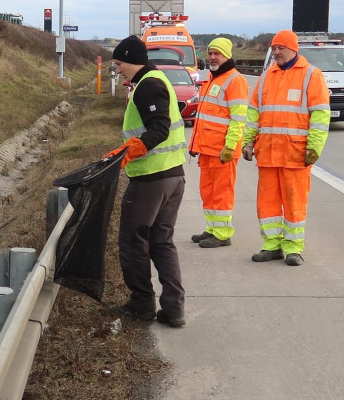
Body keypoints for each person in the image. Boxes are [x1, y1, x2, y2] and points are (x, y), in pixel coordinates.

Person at [104, 35, 187, 328]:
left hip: (151, 179)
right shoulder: (156, 80)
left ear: (130, 60)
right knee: (162, 242)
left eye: (118, 64)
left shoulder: (148, 85)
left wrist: (130, 150)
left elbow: (160, 128)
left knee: (132, 240)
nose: (118, 70)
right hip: (173, 176)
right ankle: (173, 309)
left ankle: (141, 303)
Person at [242, 30, 331, 266]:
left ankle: (293, 248)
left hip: (296, 154)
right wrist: (248, 142)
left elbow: (321, 116)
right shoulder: (266, 77)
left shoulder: (311, 75)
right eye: (274, 48)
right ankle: (272, 246)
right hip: (268, 153)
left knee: (294, 203)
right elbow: (253, 115)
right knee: (268, 203)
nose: (277, 52)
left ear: (294, 49)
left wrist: (313, 148)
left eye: (281, 47)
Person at [187, 38, 248, 248]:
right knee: (208, 191)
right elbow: (203, 117)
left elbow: (238, 118)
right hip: (206, 149)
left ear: (227, 56)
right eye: (210, 53)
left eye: (217, 54)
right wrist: (194, 145)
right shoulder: (211, 78)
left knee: (222, 193)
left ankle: (222, 234)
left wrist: (230, 146)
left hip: (222, 150)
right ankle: (212, 228)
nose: (212, 57)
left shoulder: (234, 80)